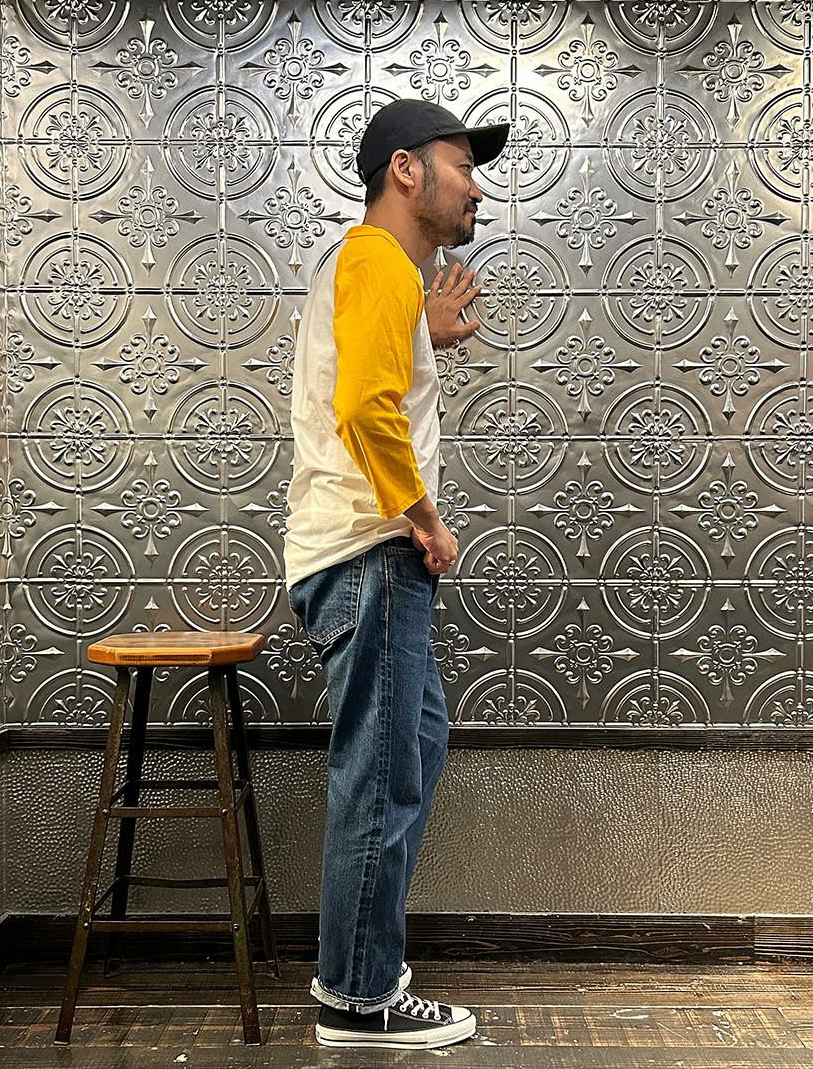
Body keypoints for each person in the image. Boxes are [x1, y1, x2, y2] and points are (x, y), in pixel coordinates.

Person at [283, 99, 509, 1050]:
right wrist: (428, 520)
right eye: (463, 166)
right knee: (380, 776)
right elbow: (366, 409)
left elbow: (372, 371)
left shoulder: (380, 274)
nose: (476, 188)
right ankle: (358, 996)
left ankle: (362, 973)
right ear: (407, 171)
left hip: (358, 555)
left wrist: (426, 333)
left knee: (408, 750)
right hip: (372, 552)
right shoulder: (376, 260)